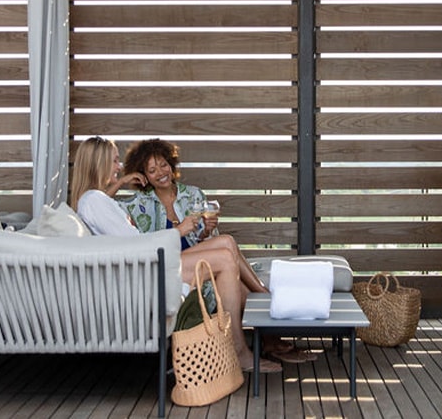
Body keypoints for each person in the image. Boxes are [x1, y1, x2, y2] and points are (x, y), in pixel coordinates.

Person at [67, 135, 283, 373]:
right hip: (151, 269)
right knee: (224, 255)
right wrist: (180, 230)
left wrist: (121, 181)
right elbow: (137, 247)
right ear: (99, 163)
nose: (118, 166)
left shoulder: (92, 200)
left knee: (226, 243)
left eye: (119, 161)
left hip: (152, 262)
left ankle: (251, 327)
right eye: (115, 161)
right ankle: (243, 345)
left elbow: (105, 211)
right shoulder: (96, 201)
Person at [122, 138, 315, 364]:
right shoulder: (139, 204)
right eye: (152, 170)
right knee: (228, 245)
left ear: (171, 164)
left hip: (203, 265)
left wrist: (205, 233)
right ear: (143, 175)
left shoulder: (193, 195)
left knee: (227, 247)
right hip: (174, 268)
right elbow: (92, 203)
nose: (161, 173)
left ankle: (267, 342)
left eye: (163, 165)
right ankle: (264, 303)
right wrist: (122, 182)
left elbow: (211, 244)